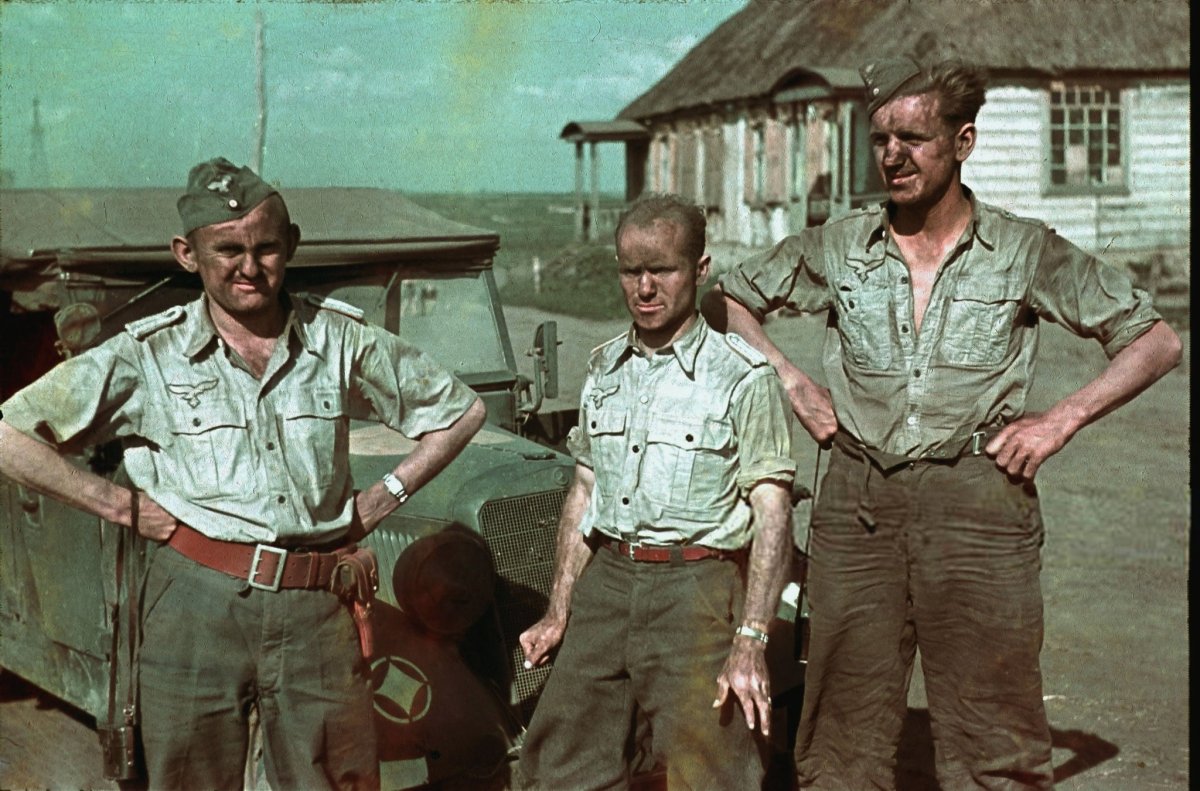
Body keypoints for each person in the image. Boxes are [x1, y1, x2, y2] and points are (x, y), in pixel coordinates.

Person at [702, 57, 1183, 790]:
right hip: (858, 503)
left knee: (994, 733)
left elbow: (1155, 341)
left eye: (914, 138)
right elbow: (725, 300)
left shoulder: (1023, 249)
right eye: (880, 138)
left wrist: (1059, 421)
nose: (893, 155)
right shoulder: (839, 245)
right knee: (841, 734)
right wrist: (789, 380)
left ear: (963, 142)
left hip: (979, 504)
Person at [0, 157, 486, 791]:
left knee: (336, 780)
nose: (249, 267)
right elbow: (11, 435)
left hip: (318, 602)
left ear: (292, 246)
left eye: (265, 248)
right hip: (195, 602)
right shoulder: (148, 354)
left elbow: (460, 411)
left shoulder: (338, 338)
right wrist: (121, 507)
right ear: (187, 254)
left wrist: (383, 496)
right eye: (227, 250)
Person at [515, 194, 797, 790]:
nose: (644, 288)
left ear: (700, 269)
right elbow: (585, 489)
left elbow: (773, 512)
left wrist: (751, 639)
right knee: (559, 762)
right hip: (608, 586)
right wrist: (558, 610)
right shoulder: (603, 369)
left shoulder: (743, 378)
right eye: (630, 271)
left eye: (662, 270)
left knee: (711, 771)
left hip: (696, 591)